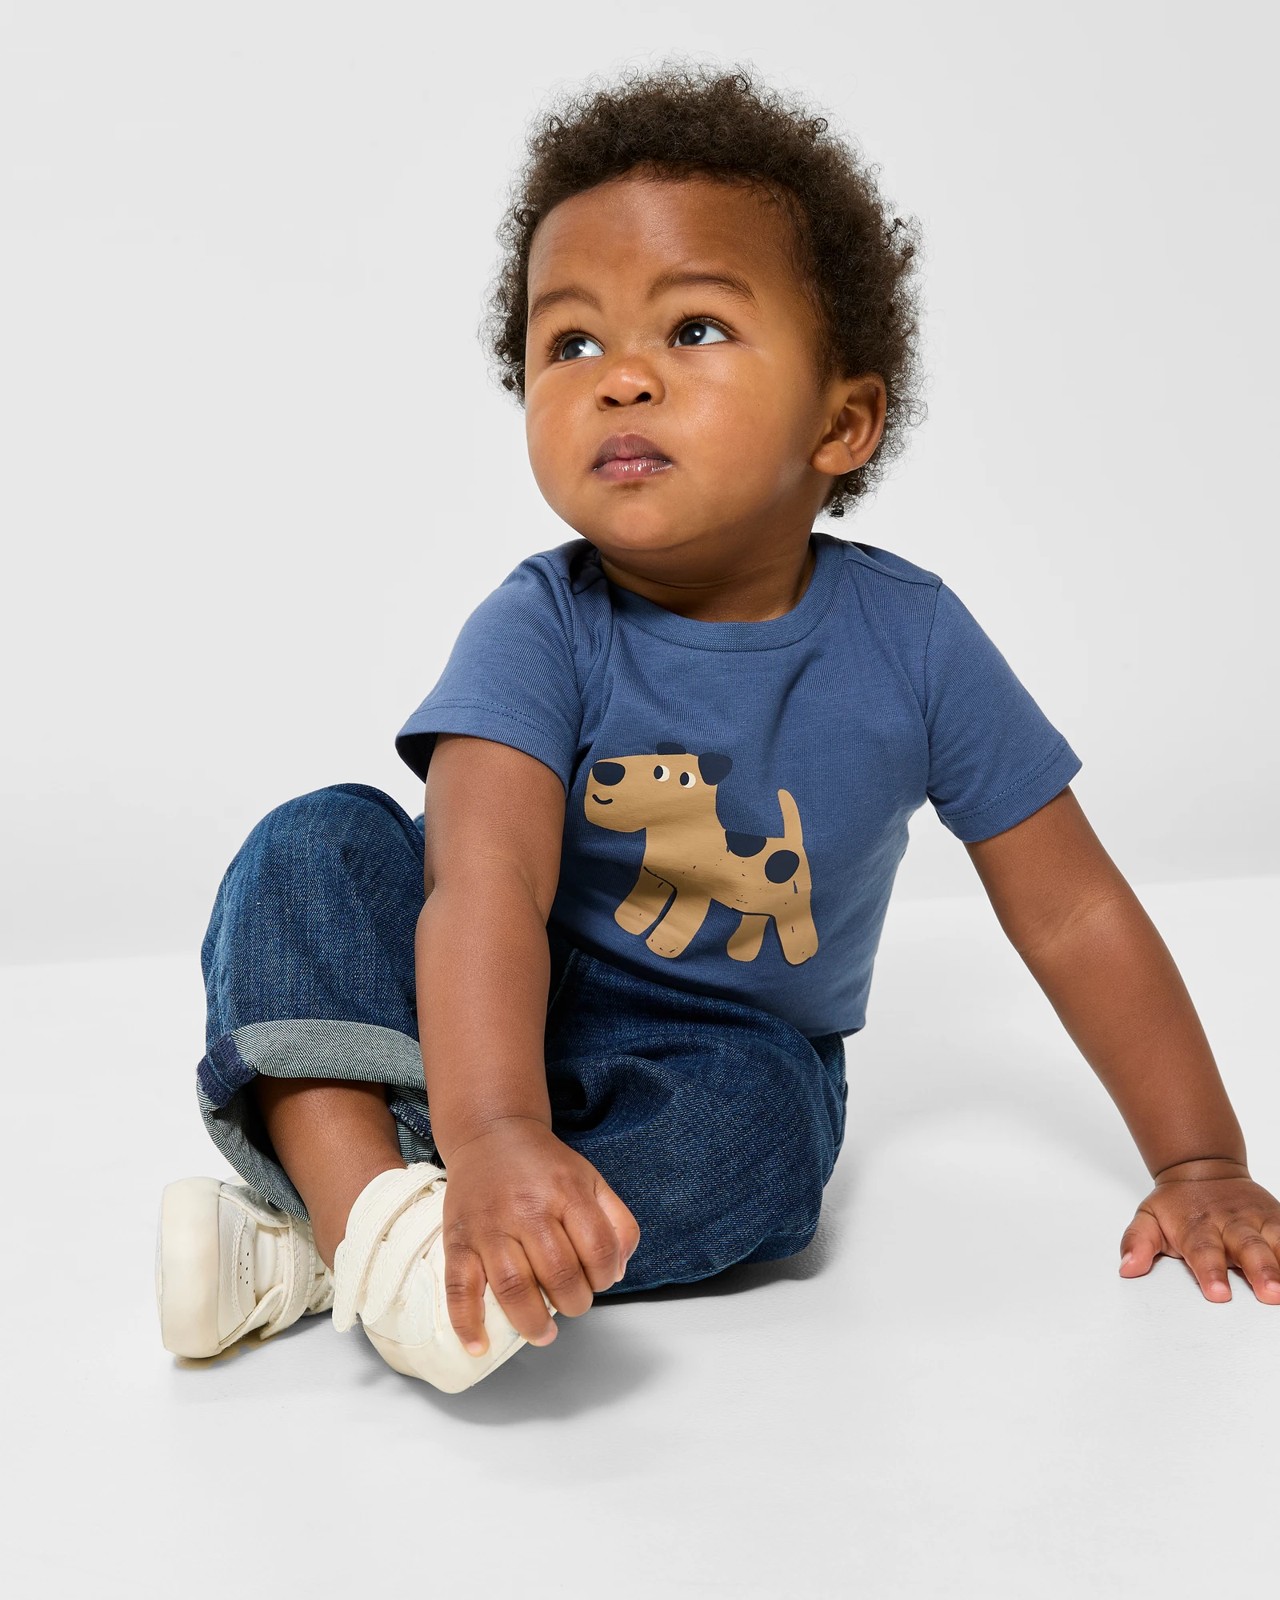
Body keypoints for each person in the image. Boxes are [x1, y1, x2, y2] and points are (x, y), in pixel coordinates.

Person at [155, 62, 1280, 1395]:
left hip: (719, 1049)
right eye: (571, 344)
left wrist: (1200, 1160)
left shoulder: (916, 644)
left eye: (692, 329)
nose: (621, 379)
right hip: (491, 995)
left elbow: (1074, 912)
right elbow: (484, 887)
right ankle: (395, 1224)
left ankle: (343, 1245)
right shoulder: (540, 625)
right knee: (315, 846)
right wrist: (499, 1128)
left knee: (762, 1141)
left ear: (842, 422)